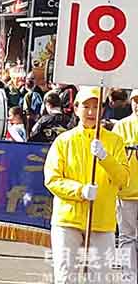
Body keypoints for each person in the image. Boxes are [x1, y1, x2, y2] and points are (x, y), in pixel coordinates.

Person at [44, 87, 129, 284]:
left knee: (99, 279)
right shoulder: (64, 141)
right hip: (68, 221)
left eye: (96, 107)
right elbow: (52, 179)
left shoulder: (115, 141)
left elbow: (123, 179)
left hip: (102, 221)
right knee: (66, 278)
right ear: (75, 109)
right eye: (86, 106)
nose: (91, 112)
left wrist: (106, 158)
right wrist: (79, 190)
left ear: (102, 110)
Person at [112, 89, 138, 282]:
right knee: (126, 237)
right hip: (126, 193)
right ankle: (129, 278)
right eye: (136, 100)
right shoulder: (121, 126)